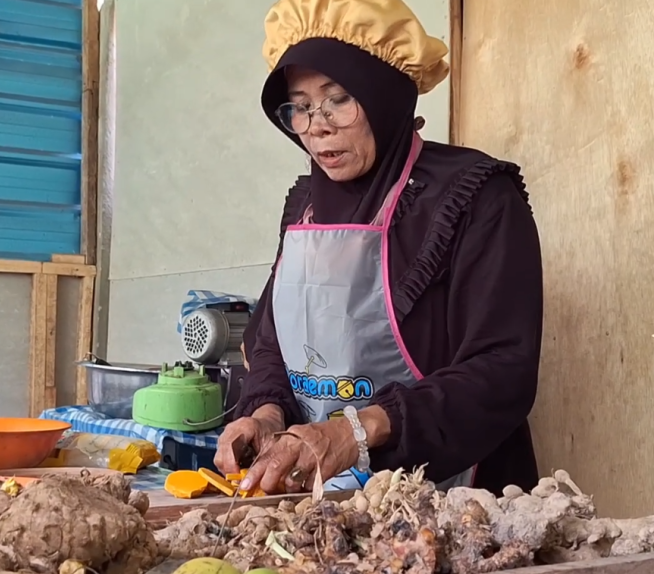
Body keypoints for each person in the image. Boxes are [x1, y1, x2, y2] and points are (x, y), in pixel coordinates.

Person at [217, 0, 543, 497]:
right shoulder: (305, 205)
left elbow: (502, 371)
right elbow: (273, 341)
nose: (317, 125)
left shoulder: (476, 197)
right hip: (326, 500)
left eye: (338, 99)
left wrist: (354, 431)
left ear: (385, 94)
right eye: (300, 107)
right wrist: (265, 413)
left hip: (458, 500)